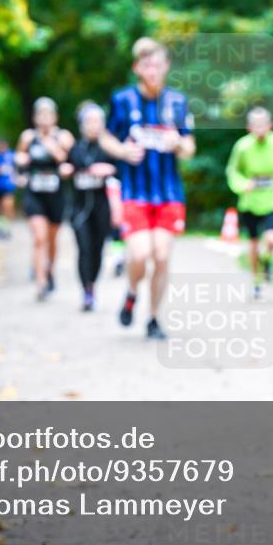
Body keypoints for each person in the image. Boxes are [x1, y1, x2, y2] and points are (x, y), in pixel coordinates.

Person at [99, 37, 196, 340]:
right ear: (137, 68)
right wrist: (122, 151)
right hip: (134, 192)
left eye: (157, 64)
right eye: (146, 65)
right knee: (139, 255)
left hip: (168, 193)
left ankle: (154, 318)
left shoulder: (177, 102)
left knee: (162, 256)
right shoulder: (122, 100)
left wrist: (178, 143)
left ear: (166, 66)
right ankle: (131, 292)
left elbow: (190, 146)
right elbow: (105, 137)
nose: (152, 70)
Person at [225, 106, 273, 298]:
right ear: (249, 127)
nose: (259, 128)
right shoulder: (242, 146)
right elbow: (233, 171)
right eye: (255, 124)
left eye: (263, 124)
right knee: (254, 244)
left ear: (270, 125)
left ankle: (267, 259)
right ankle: (257, 281)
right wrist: (242, 185)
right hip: (250, 201)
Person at [16, 97, 75, 301]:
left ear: (55, 117)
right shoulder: (27, 137)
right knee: (39, 238)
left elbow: (74, 161)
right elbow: (19, 161)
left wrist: (53, 148)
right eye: (40, 114)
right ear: (34, 117)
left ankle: (49, 271)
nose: (44, 118)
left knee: (51, 239)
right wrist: (20, 168)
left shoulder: (63, 137)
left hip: (56, 194)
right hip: (35, 193)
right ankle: (40, 282)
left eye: (48, 114)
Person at [66, 101, 117, 312]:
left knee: (97, 249)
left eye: (97, 121)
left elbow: (123, 171)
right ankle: (86, 291)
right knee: (84, 248)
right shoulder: (75, 148)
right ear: (82, 124)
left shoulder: (110, 148)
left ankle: (93, 285)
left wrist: (109, 170)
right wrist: (67, 170)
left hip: (102, 206)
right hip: (79, 207)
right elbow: (67, 166)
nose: (93, 125)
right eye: (89, 121)